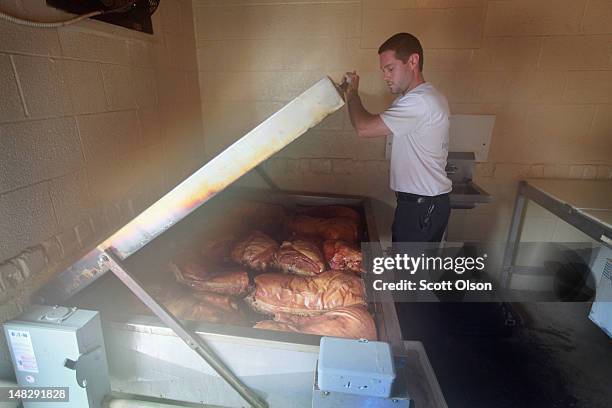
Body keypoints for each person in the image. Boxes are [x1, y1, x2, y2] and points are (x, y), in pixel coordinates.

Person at [342, 32, 452, 244]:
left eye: (390, 68)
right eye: (384, 70)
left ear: (413, 61)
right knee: (412, 274)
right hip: (422, 204)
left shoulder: (420, 102)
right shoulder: (426, 97)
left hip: (421, 207)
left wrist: (352, 93)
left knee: (410, 276)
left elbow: (364, 128)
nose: (385, 76)